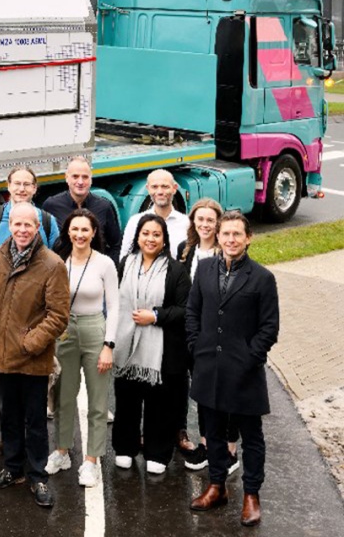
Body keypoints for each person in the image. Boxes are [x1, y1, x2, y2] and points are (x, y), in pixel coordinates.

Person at [188, 212, 279, 527]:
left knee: (251, 436)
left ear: (248, 238)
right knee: (212, 431)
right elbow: (193, 311)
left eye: (237, 234)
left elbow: (269, 328)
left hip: (245, 371)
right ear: (218, 236)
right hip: (208, 366)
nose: (230, 239)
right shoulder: (204, 269)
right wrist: (196, 347)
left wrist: (249, 358)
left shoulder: (262, 278)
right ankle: (217, 486)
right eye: (225, 233)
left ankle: (251, 495)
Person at [0, 203, 69, 509]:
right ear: (9, 226)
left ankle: (37, 475)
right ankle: (13, 468)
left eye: (27, 225)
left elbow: (58, 316)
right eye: (16, 224)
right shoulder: (0, 257)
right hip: (3, 353)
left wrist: (30, 342)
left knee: (35, 420)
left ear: (37, 228)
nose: (21, 230)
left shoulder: (52, 264)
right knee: (9, 416)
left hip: (33, 357)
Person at [44, 209, 118, 488]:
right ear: (67, 232)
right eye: (74, 229)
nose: (79, 234)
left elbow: (114, 306)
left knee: (97, 401)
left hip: (94, 329)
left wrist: (109, 345)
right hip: (64, 331)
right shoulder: (58, 261)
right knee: (63, 395)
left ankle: (91, 461)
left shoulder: (104, 263)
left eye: (85, 229)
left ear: (94, 232)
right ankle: (62, 451)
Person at [111, 214, 190, 476]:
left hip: (162, 350)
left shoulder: (176, 270)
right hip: (127, 347)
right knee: (126, 401)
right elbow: (115, 303)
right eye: (146, 233)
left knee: (160, 404)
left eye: (157, 234)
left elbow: (185, 309)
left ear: (164, 239)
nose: (150, 239)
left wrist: (155, 316)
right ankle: (125, 447)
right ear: (138, 237)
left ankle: (158, 452)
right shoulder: (125, 264)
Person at [174, 198, 240, 471]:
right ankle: (205, 444)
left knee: (225, 391)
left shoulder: (227, 252)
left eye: (210, 220)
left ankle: (230, 449)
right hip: (193, 334)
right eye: (199, 219)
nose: (204, 224)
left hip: (221, 334)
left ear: (218, 223)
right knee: (202, 391)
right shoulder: (185, 249)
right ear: (193, 221)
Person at [41, 156, 122, 266]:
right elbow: (43, 246)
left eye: (85, 177)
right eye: (75, 176)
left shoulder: (104, 207)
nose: (80, 182)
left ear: (91, 179)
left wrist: (107, 269)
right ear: (67, 178)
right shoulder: (51, 206)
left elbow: (116, 245)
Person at [0, 167, 61, 270]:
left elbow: (55, 264)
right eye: (17, 183)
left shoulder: (48, 221)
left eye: (26, 184)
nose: (21, 189)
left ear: (34, 188)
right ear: (9, 186)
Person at [119, 169, 190, 261]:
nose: (160, 192)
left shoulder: (187, 223)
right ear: (148, 189)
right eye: (154, 187)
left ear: (174, 188)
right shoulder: (135, 221)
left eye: (165, 186)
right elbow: (124, 258)